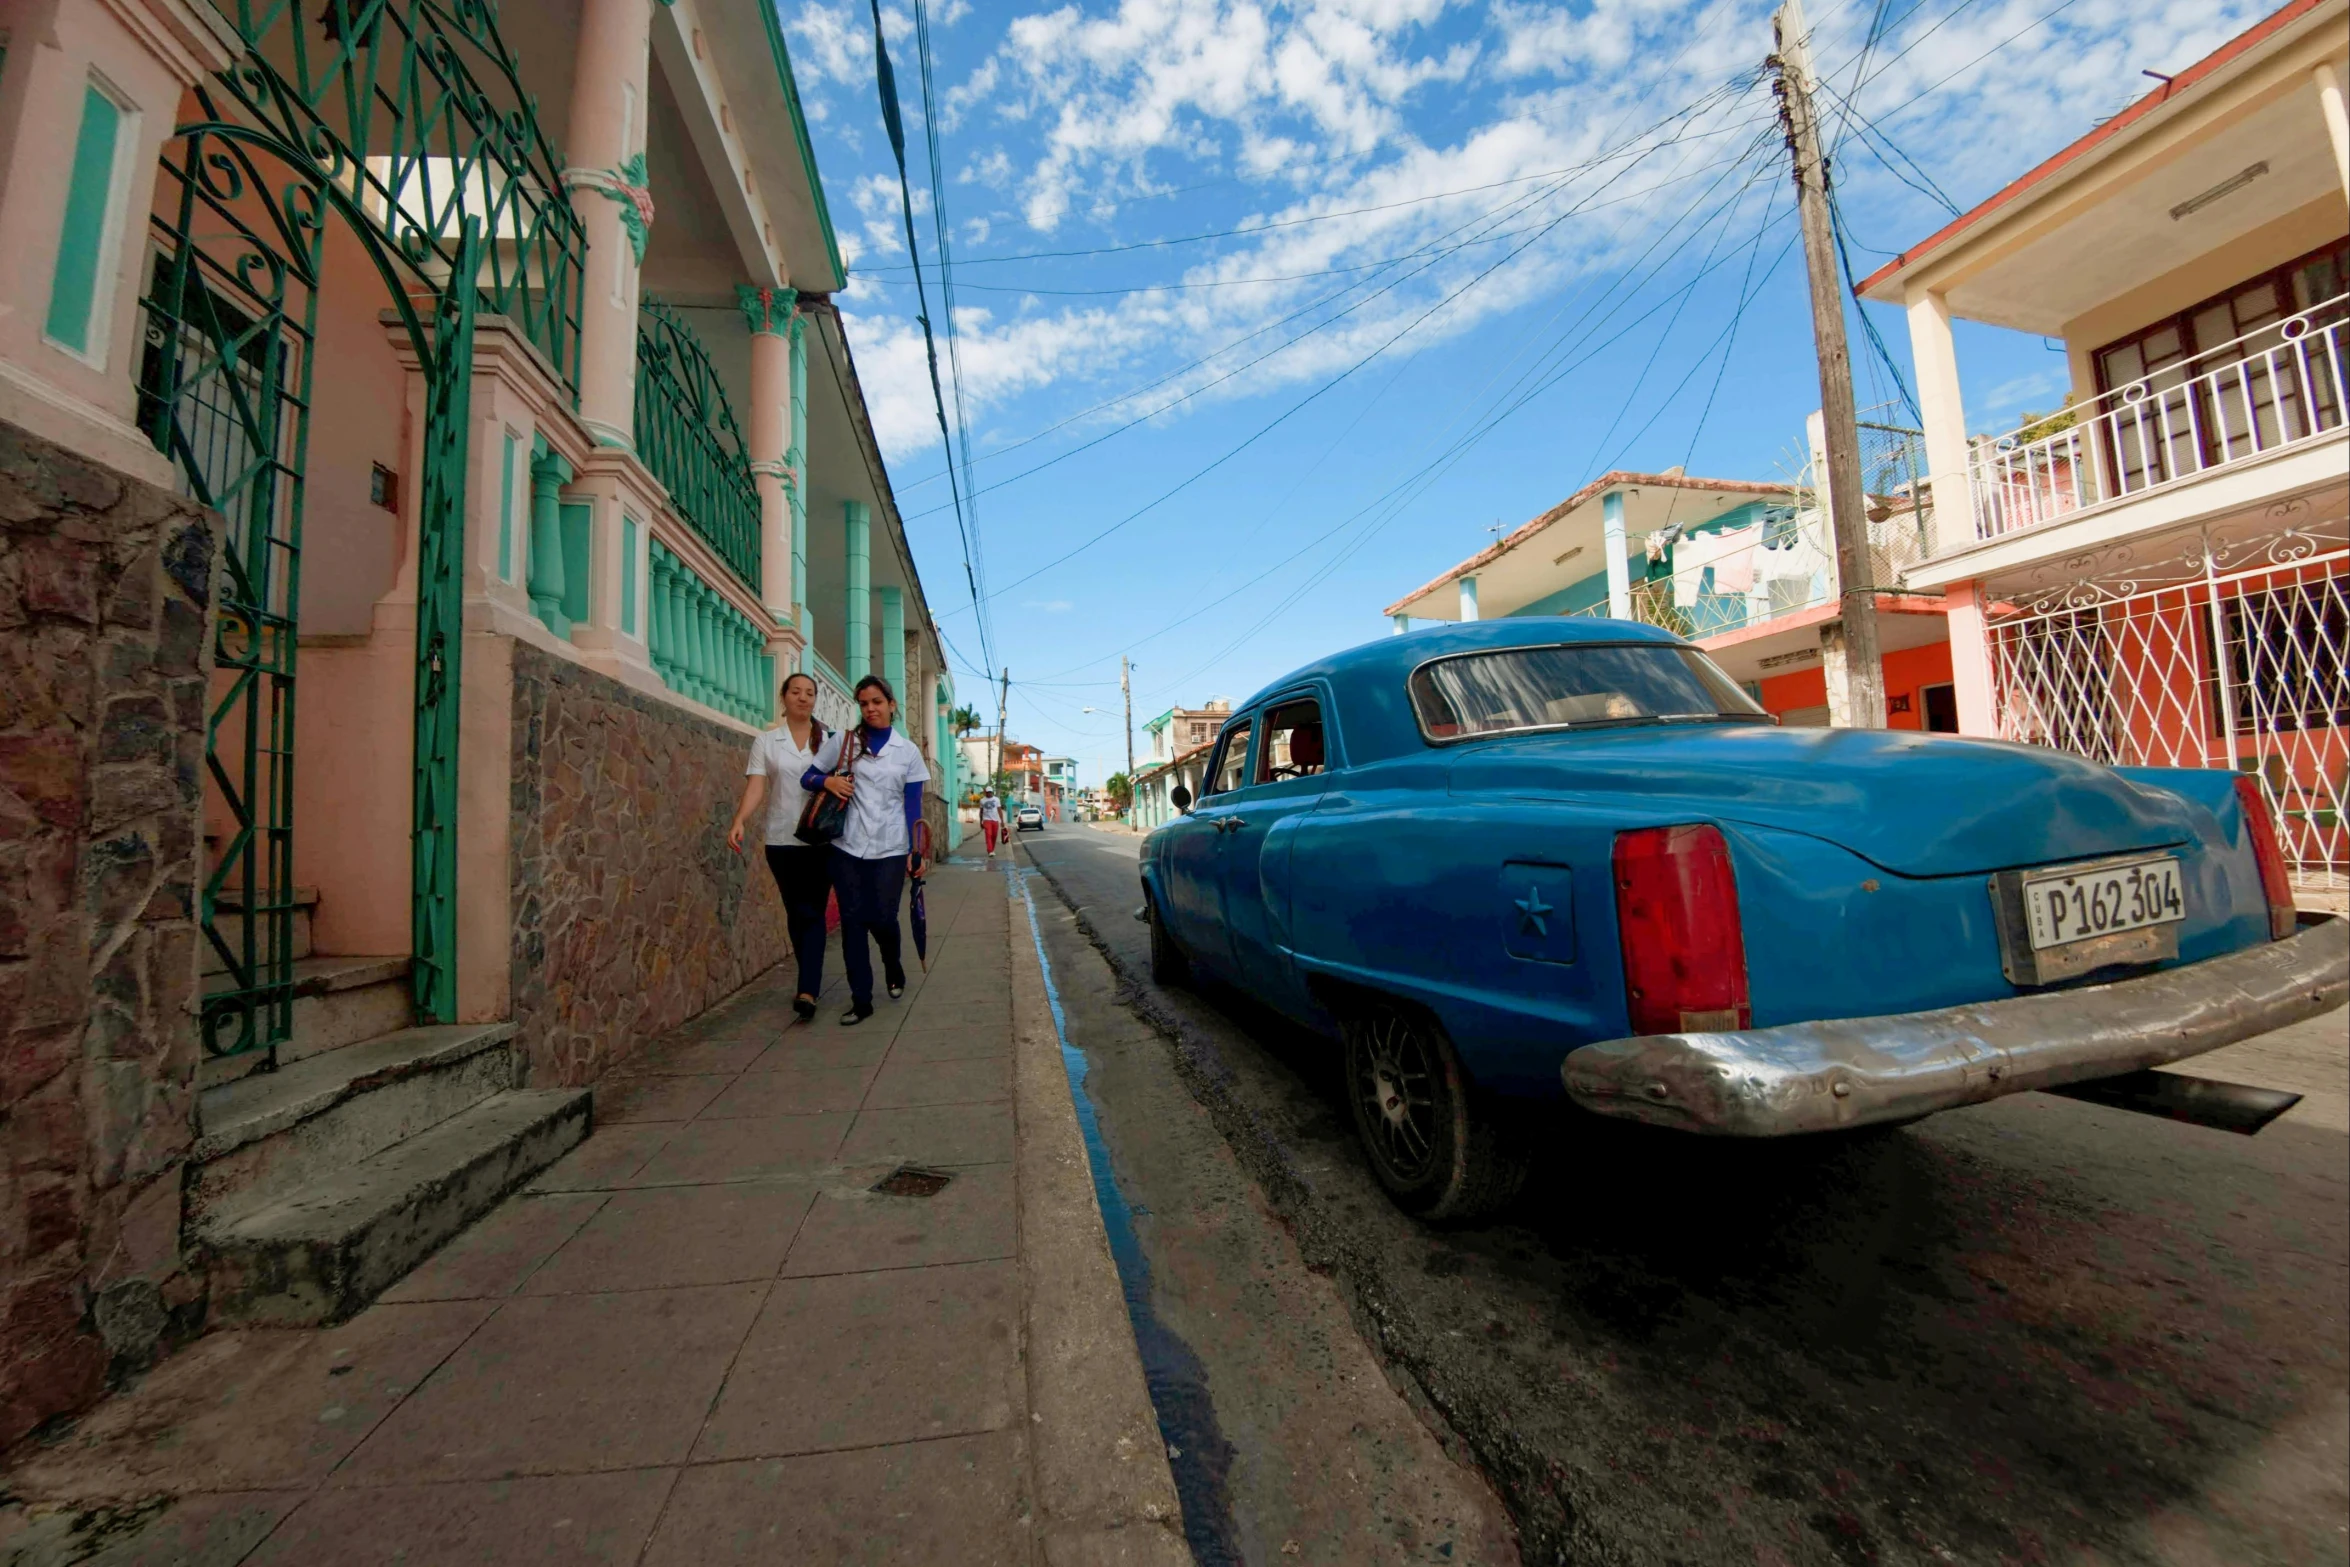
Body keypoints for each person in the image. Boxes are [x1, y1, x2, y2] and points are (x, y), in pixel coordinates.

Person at [803, 674, 928, 1024]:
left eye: (876, 701)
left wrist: (915, 852)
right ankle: (861, 1000)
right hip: (847, 847)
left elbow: (913, 806)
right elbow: (807, 778)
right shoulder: (843, 743)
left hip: (890, 847)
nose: (870, 708)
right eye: (863, 703)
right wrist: (828, 780)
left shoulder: (907, 752)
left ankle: (893, 965)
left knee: (883, 917)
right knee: (853, 923)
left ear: (891, 704)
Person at [729, 672, 828, 1022]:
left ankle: (808, 989)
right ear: (783, 697)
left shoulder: (828, 740)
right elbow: (757, 786)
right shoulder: (767, 742)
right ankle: (810, 975)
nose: (803, 698)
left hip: (819, 841)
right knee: (795, 912)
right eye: (796, 692)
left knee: (812, 911)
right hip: (781, 840)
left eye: (810, 693)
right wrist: (741, 819)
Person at [978, 788, 1004, 857]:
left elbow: (999, 810)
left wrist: (1002, 821)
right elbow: (981, 812)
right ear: (985, 792)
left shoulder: (996, 799)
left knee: (994, 836)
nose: (989, 793)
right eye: (987, 792)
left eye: (990, 792)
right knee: (988, 835)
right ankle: (990, 850)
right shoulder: (982, 800)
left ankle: (992, 849)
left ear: (992, 792)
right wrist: (981, 822)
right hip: (986, 820)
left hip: (995, 820)